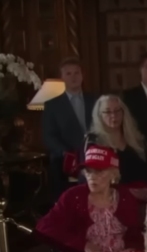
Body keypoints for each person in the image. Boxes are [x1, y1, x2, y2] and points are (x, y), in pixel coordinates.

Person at [36, 145, 145, 252]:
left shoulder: (124, 197)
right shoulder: (74, 197)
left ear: (112, 174)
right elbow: (44, 227)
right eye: (89, 172)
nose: (92, 178)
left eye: (100, 172)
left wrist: (132, 249)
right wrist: (82, 245)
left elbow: (134, 233)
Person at [43, 57, 97, 199]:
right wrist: (67, 153)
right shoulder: (53, 105)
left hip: (94, 157)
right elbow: (49, 136)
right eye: (68, 74)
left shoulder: (95, 100)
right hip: (65, 161)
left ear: (82, 76)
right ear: (62, 77)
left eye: (76, 73)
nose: (73, 77)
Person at [84, 94, 147, 186]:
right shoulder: (93, 142)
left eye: (117, 110)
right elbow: (93, 179)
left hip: (143, 195)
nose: (114, 115)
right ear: (99, 116)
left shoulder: (137, 139)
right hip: (112, 197)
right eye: (108, 112)